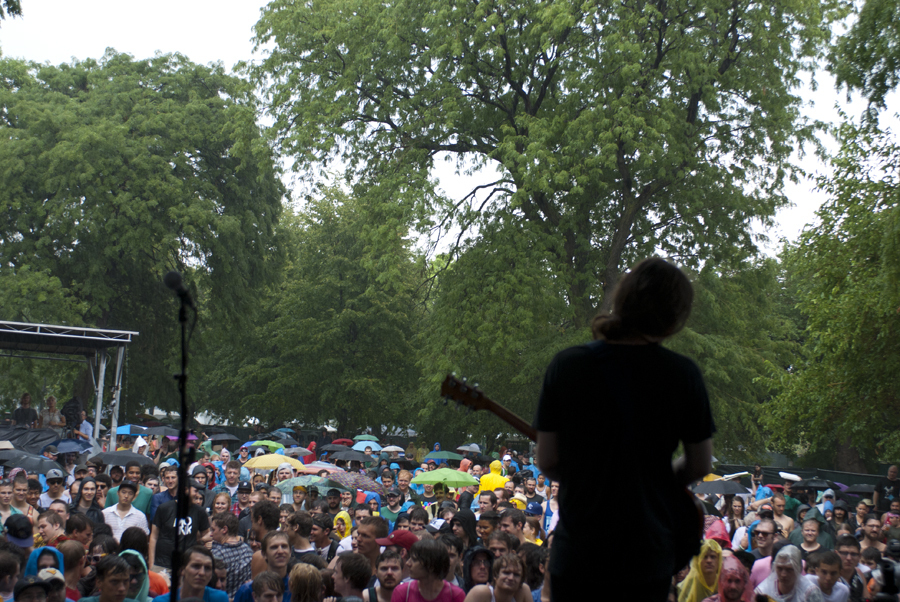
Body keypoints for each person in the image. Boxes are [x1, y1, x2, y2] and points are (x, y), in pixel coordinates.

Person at [534, 257, 715, 602]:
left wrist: (592, 476)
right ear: (673, 316)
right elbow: (698, 465)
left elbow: (547, 459)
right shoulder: (683, 375)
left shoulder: (568, 365)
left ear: (624, 299)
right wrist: (651, 480)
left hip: (579, 552)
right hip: (646, 554)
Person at [392, 539, 465, 602]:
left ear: (431, 565)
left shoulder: (455, 595)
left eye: (414, 559)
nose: (408, 563)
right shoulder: (402, 592)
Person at [150, 546, 227, 602]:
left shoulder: (220, 598)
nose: (202, 573)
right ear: (182, 570)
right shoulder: (161, 601)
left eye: (207, 568)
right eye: (196, 566)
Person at [755, 545, 823, 602]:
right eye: (780, 568)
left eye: (789, 569)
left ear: (799, 569)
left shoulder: (810, 592)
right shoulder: (763, 591)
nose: (783, 574)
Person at [209, 513, 253, 598]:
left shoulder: (216, 555)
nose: (211, 534)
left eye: (213, 530)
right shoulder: (248, 551)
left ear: (224, 529)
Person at [462, 553, 529, 602]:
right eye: (506, 573)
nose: (511, 578)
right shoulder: (481, 592)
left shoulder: (522, 591)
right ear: (495, 575)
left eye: (516, 575)